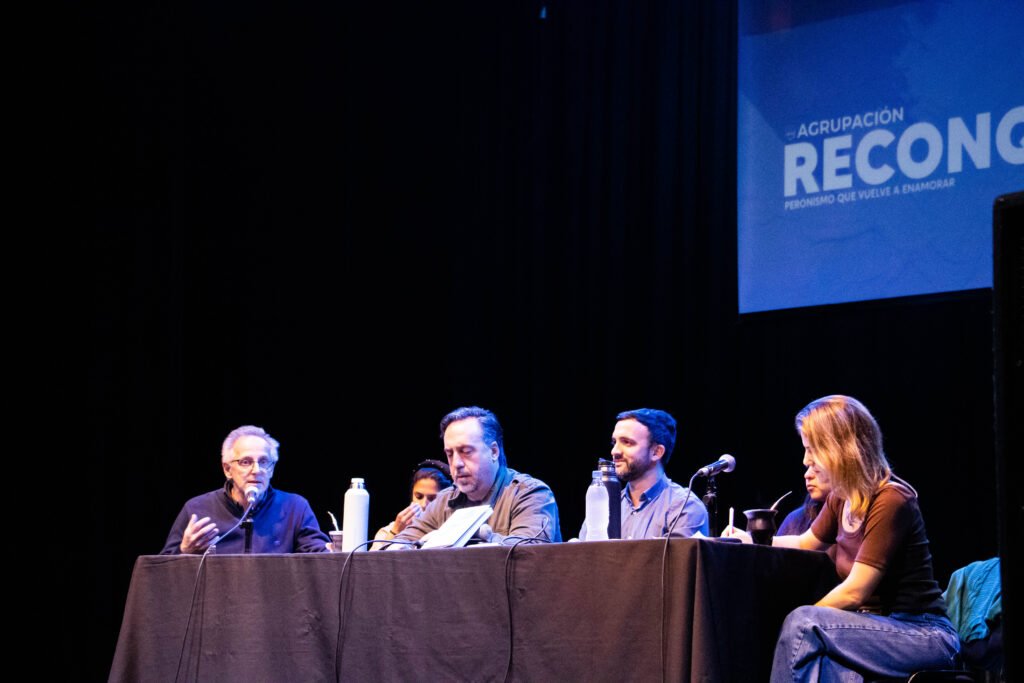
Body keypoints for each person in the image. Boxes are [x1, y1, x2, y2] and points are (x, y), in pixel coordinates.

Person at [724, 395, 959, 681]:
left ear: (839, 448)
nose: (805, 460)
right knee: (832, 667)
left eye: (812, 450)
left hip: (923, 634)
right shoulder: (841, 497)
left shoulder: (891, 499)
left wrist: (804, 621)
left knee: (803, 624)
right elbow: (804, 543)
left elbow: (855, 591)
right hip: (872, 627)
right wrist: (749, 540)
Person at [385, 406, 561, 547]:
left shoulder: (530, 494)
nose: (457, 463)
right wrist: (403, 543)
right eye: (450, 454)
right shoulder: (443, 501)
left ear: (493, 451)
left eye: (466, 452)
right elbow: (399, 547)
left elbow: (529, 552)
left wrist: (478, 534)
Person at [161, 425, 330, 554]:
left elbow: (319, 558)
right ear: (227, 469)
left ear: (271, 469)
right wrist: (184, 551)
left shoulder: (295, 508)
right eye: (246, 462)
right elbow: (162, 571)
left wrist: (335, 550)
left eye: (264, 462)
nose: (256, 470)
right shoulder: (198, 509)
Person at [578, 408, 708, 540]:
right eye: (614, 442)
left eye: (627, 442)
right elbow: (583, 557)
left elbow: (675, 560)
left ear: (656, 452)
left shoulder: (684, 507)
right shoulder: (604, 505)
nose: (614, 451)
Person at [371, 460, 453, 550]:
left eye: (432, 498)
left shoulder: (451, 530)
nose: (423, 504)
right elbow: (371, 562)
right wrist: (395, 531)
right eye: (419, 496)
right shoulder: (389, 530)